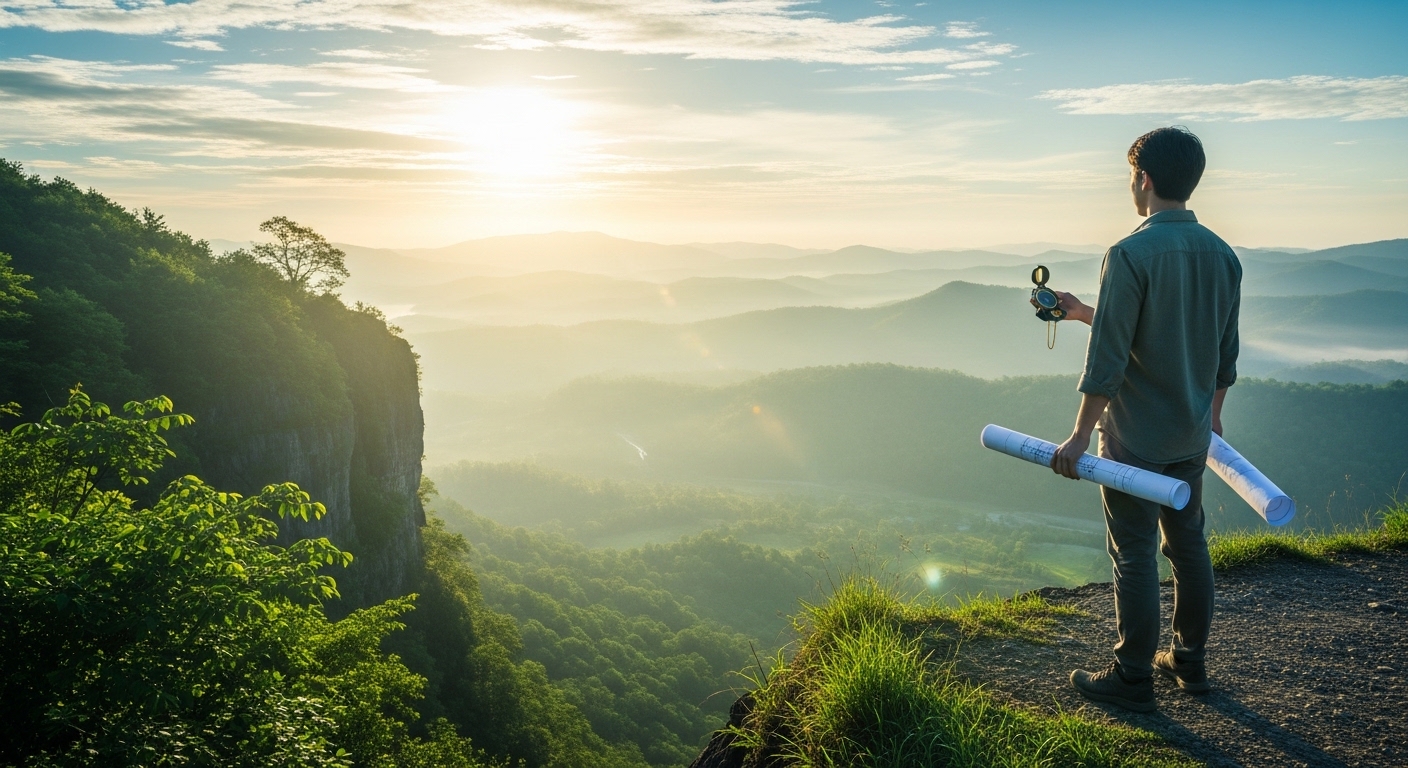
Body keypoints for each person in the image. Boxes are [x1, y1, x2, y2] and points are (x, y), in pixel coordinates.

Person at [1043, 127, 1240, 712]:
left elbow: (1109, 360)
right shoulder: (1223, 255)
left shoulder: (1128, 254)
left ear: (1144, 179)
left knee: (1132, 553)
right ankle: (1190, 661)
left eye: (1132, 176)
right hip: (1190, 433)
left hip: (1133, 439)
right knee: (1188, 545)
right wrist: (1214, 419)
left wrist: (1080, 437)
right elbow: (1223, 355)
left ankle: (1132, 677)